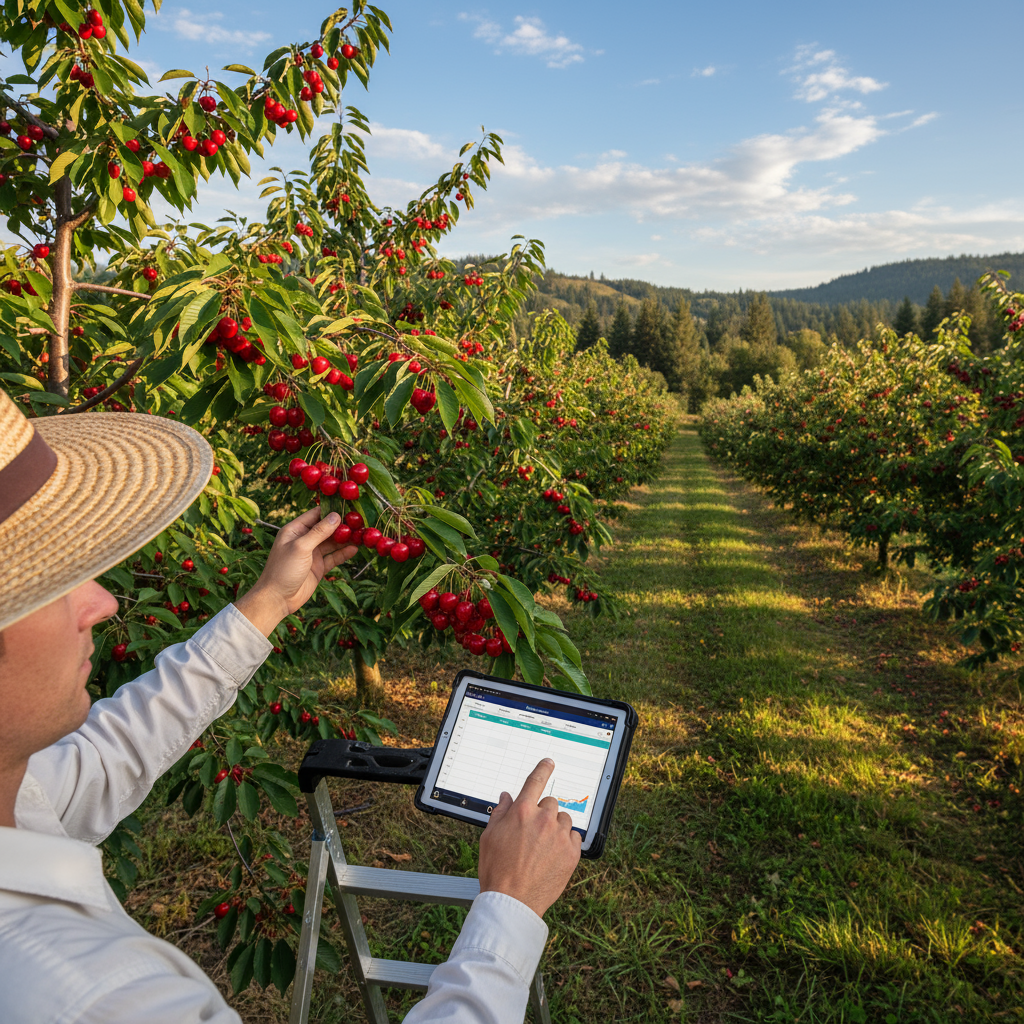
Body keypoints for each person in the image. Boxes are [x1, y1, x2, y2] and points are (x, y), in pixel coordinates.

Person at [0, 390, 581, 1024]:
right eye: (48, 583)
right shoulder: (101, 996)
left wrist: (269, 603)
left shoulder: (22, 797)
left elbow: (113, 749)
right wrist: (510, 910)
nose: (103, 603)